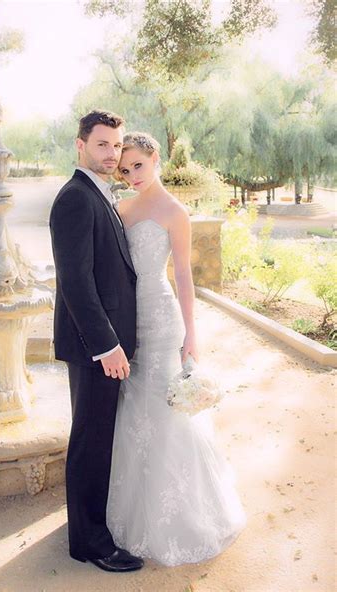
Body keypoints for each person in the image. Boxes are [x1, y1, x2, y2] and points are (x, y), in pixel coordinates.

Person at [106, 132, 247, 566]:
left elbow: (184, 275)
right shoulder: (120, 208)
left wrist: (192, 335)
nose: (131, 176)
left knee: (165, 409)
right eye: (124, 169)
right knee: (133, 409)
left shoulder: (174, 211)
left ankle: (182, 514)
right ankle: (131, 508)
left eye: (138, 167)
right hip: (128, 322)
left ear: (155, 159)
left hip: (164, 320)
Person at [49, 111, 144, 572]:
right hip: (95, 348)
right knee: (91, 441)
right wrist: (106, 347)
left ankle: (87, 525)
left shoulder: (98, 194)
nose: (112, 154)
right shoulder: (74, 199)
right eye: (103, 144)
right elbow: (75, 281)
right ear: (81, 145)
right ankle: (91, 545)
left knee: (98, 437)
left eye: (116, 145)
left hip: (105, 343)